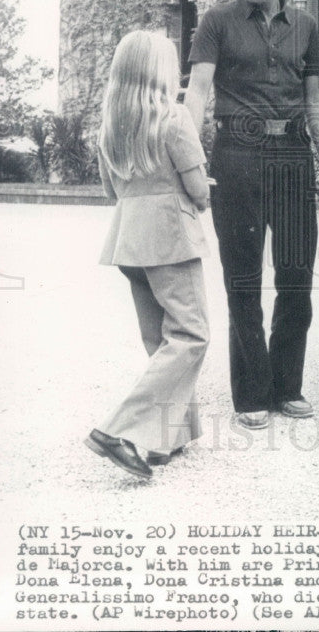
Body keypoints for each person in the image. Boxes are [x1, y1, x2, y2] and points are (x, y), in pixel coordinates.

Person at [184, 0, 319, 432]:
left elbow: (316, 100)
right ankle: (251, 392)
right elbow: (198, 92)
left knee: (296, 276)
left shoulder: (309, 26)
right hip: (237, 153)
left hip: (294, 154)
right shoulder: (216, 22)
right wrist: (188, 157)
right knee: (242, 278)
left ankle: (288, 386)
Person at [86, 30, 210, 479]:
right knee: (191, 335)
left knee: (160, 338)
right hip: (170, 235)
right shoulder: (174, 119)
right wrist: (198, 195)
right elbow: (198, 190)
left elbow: (109, 190)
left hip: (128, 238)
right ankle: (116, 429)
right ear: (160, 71)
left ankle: (169, 437)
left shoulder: (110, 124)